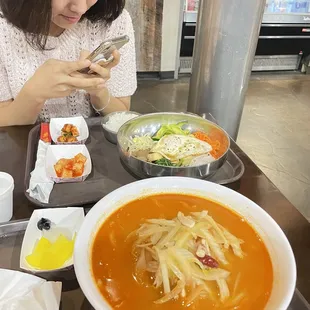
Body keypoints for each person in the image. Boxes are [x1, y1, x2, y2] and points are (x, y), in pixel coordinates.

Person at [0, 0, 137, 127]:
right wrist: (33, 95)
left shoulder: (111, 19)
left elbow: (122, 112)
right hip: (26, 147)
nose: (81, 8)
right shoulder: (4, 28)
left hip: (93, 148)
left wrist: (98, 90)